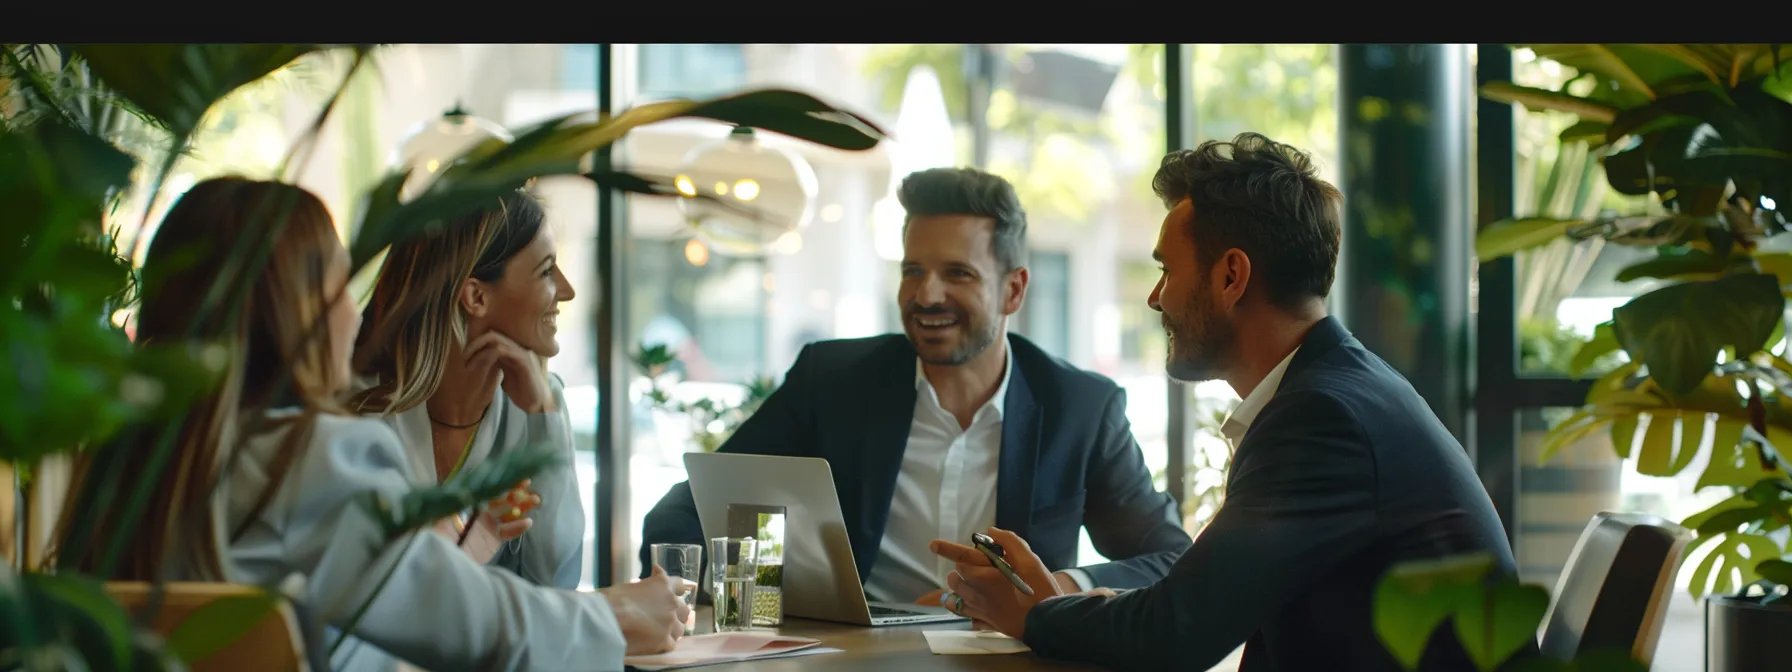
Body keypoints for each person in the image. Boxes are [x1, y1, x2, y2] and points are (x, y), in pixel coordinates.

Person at [929, 133, 1521, 670]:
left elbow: (1174, 634)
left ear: (1232, 276)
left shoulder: (1322, 418)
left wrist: (1031, 615)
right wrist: (1069, 605)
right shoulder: (1339, 388)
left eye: (1167, 270)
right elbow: (1199, 605)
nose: (1156, 298)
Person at [50, 178, 686, 671]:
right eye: (337, 288)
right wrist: (615, 615)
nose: (356, 316)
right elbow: (478, 625)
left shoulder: (123, 459)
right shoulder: (308, 459)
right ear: (294, 314)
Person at [638, 167, 1193, 604]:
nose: (926, 295)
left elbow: (1170, 559)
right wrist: (762, 601)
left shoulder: (1079, 408)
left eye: (958, 273)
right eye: (912, 271)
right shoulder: (831, 382)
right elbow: (690, 511)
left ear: (1014, 291)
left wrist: (1054, 587)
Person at [350, 189, 584, 589]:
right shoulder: (361, 410)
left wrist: (544, 417)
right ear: (476, 296)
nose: (566, 291)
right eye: (547, 271)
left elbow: (557, 580)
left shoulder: (541, 404)